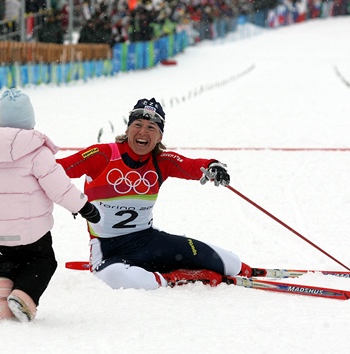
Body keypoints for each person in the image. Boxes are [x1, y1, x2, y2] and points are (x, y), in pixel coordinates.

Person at [55, 98, 252, 291]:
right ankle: (174, 278)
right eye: (138, 124)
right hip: (109, 251)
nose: (143, 132)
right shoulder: (103, 154)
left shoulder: (160, 161)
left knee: (231, 264)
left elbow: (189, 165)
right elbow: (55, 171)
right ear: (128, 129)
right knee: (124, 278)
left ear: (159, 137)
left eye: (151, 128)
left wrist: (210, 166)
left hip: (149, 241)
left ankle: (234, 270)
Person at [0, 89, 101, 323]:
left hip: (1, 232)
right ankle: (24, 298)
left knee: (8, 261)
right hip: (33, 231)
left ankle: (1, 305)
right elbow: (59, 187)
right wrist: (84, 207)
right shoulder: (37, 152)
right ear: (29, 119)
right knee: (43, 261)